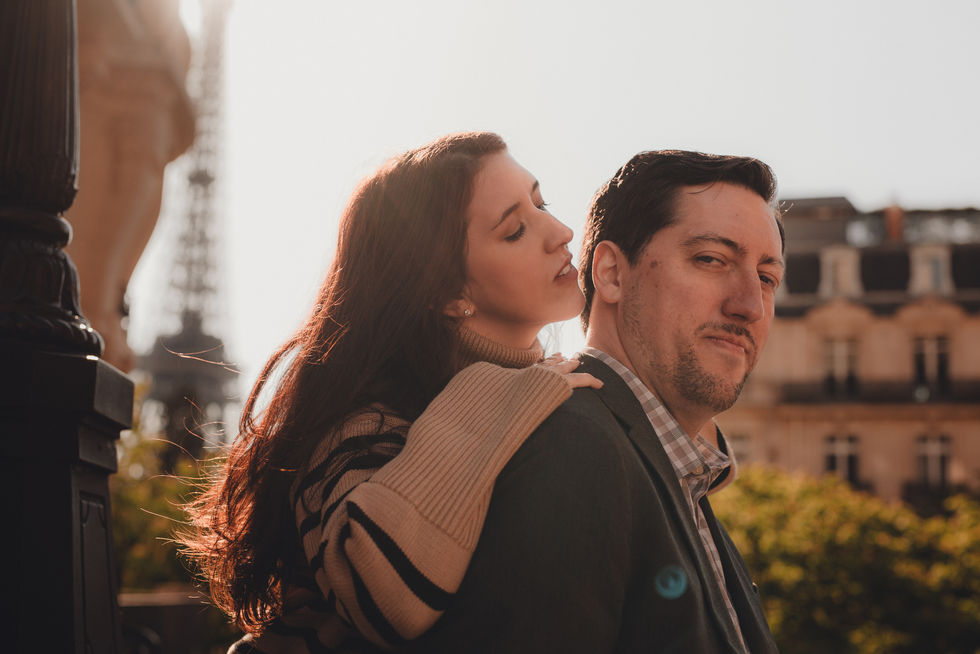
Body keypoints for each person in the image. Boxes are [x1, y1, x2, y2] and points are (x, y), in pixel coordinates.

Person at [180, 132, 601, 653]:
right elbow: (385, 600)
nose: (561, 232)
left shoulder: (546, 391)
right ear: (449, 295)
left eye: (543, 204)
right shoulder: (364, 429)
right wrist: (498, 394)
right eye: (515, 229)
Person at [406, 150, 784, 653]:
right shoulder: (570, 444)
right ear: (610, 274)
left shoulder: (671, 474)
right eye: (711, 259)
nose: (749, 305)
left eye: (766, 278)